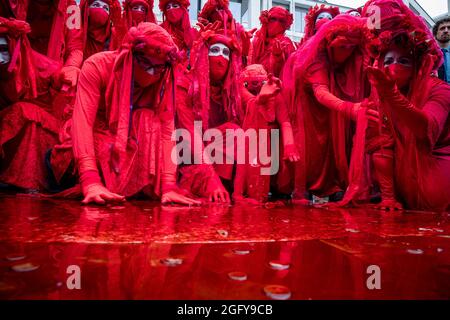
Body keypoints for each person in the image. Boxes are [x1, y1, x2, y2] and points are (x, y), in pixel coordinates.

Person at [68, 23, 200, 205]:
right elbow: (83, 122)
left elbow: (167, 130)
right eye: (146, 64)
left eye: (158, 68)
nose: (151, 74)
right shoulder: (97, 66)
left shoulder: (163, 79)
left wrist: (169, 185)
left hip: (138, 141)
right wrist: (90, 179)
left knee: (147, 119)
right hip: (97, 140)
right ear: (131, 54)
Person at [367, 14, 450, 211]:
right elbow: (382, 147)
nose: (394, 67)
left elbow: (426, 129)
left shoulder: (440, 89)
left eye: (403, 60)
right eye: (388, 61)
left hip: (440, 187)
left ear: (417, 65)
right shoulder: (381, 96)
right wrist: (388, 197)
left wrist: (394, 97)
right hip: (404, 194)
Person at [284, 15, 369, 204]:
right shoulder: (315, 55)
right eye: (342, 47)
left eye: (351, 48)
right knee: (306, 146)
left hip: (327, 109)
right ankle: (301, 189)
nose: (346, 52)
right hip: (307, 107)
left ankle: (333, 185)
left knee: (331, 145)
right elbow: (320, 92)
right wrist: (350, 108)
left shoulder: (346, 59)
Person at [0, 17, 62, 191]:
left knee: (23, 112)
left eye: (4, 49)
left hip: (44, 126)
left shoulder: (45, 67)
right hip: (14, 121)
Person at [233, 64, 298, 204]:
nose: (256, 87)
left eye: (260, 83)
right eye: (251, 83)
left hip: (271, 141)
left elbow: (285, 122)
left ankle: (281, 189)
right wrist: (261, 99)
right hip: (246, 138)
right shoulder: (239, 91)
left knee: (284, 143)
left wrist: (289, 145)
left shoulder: (275, 96)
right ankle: (242, 190)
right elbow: (252, 105)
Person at [197, 0, 254, 66]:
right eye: (215, 10)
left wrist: (246, 41)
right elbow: (198, 56)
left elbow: (245, 53)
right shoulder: (206, 32)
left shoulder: (236, 29)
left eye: (221, 8)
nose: (220, 12)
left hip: (234, 68)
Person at [249, 6, 295, 77]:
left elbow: (288, 73)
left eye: (281, 21)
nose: (276, 23)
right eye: (273, 19)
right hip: (252, 83)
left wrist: (278, 57)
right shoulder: (257, 41)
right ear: (267, 20)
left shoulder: (286, 43)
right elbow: (249, 65)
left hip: (274, 85)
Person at [159, 0, 197, 64]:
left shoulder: (194, 33)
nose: (171, 9)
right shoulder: (160, 30)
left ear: (183, 9)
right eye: (168, 8)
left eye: (175, 6)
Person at [434, 16, 450, 84]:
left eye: (449, 28)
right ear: (435, 34)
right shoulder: (427, 54)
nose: (446, 31)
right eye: (442, 28)